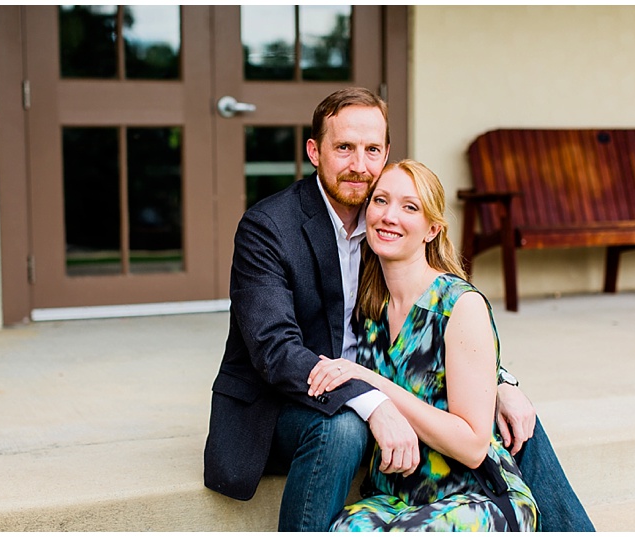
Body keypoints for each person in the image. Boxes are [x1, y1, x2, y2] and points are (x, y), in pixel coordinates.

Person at [203, 87, 593, 532]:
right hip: (287, 402)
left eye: (372, 150)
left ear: (386, 152)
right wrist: (372, 402)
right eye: (344, 148)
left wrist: (500, 380)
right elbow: (275, 350)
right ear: (314, 151)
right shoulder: (269, 228)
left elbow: (444, 309)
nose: (359, 165)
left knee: (513, 420)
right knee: (345, 425)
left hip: (383, 396)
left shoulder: (381, 224)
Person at [309, 160, 538, 530]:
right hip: (394, 498)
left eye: (409, 207)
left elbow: (472, 445)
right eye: (380, 201)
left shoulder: (459, 305)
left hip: (473, 498)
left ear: (432, 229)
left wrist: (373, 382)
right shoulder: (368, 308)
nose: (389, 216)